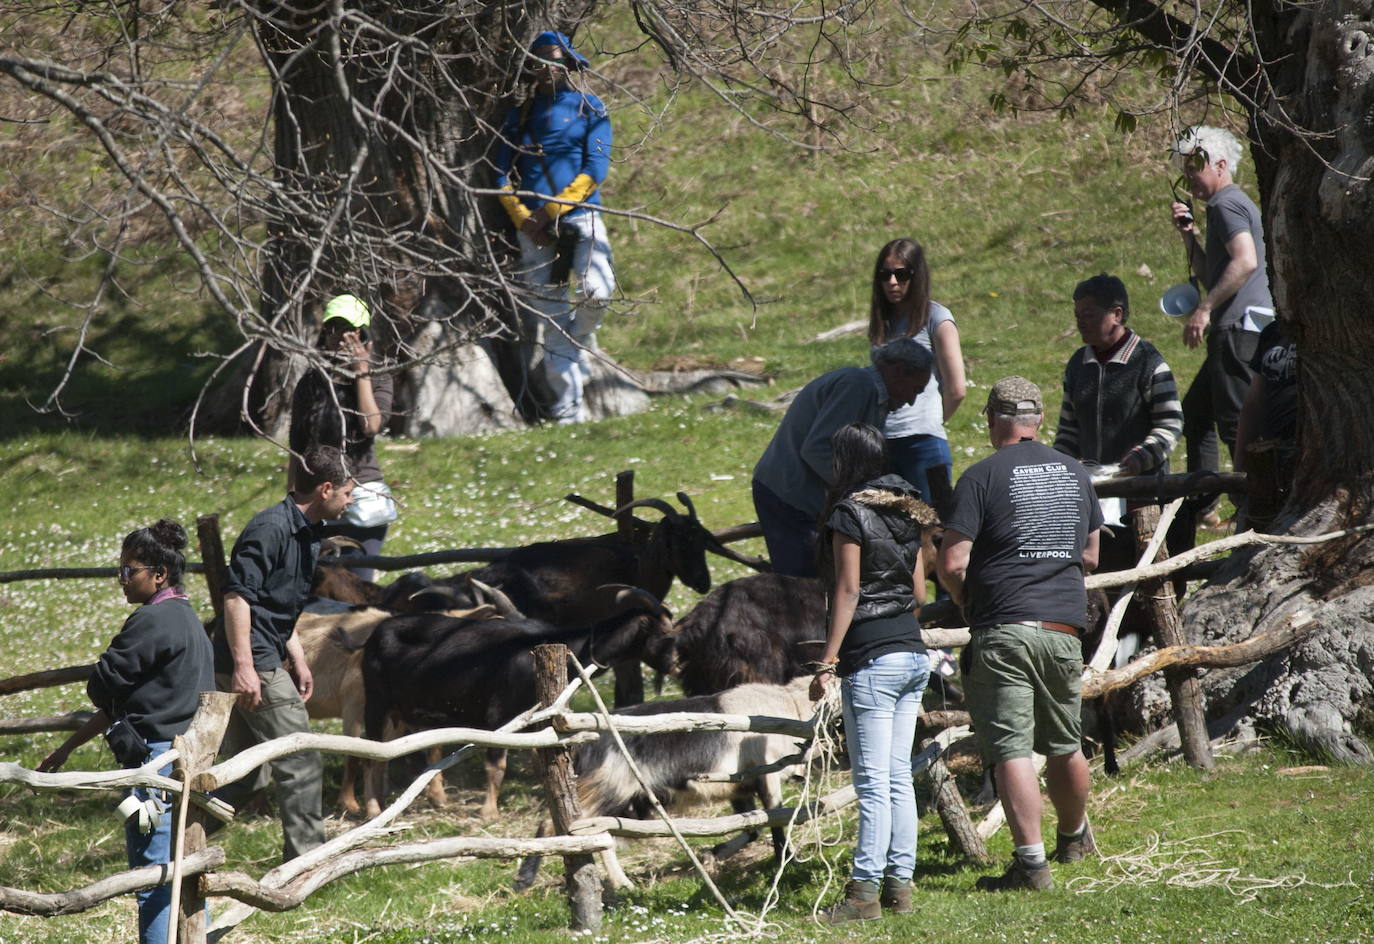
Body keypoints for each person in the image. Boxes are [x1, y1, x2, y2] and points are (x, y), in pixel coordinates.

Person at [937, 377, 1103, 891]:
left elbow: (952, 560)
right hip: (1062, 628)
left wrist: (966, 599)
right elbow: (1092, 556)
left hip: (1004, 629)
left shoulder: (982, 475)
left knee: (1010, 749)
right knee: (1066, 744)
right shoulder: (1075, 474)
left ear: (991, 419)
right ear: (1039, 421)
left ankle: (1032, 866)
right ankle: (1073, 838)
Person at [38, 519, 214, 944]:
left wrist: (100, 670)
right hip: (183, 761)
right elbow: (124, 703)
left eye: (128, 571)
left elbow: (102, 685)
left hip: (149, 770)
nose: (121, 580)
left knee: (151, 876)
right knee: (183, 870)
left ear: (159, 575)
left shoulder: (151, 621)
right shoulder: (187, 620)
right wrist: (67, 747)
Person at [809, 424, 936, 923]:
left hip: (872, 659)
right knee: (898, 776)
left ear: (844, 461)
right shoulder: (908, 507)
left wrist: (827, 661)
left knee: (872, 782)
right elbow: (921, 595)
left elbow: (847, 591)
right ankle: (899, 888)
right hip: (912, 653)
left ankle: (863, 895)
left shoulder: (849, 512)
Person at [213, 445, 355, 862]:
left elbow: (278, 604)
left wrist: (296, 656)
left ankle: (172, 835)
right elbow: (238, 598)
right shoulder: (270, 528)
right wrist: (245, 668)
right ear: (325, 488)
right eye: (347, 492)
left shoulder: (307, 532)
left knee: (248, 772)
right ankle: (307, 863)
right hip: (250, 659)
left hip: (264, 654)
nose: (350, 501)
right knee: (302, 760)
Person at [495, 30, 615, 424]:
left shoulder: (591, 108)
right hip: (532, 229)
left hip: (581, 217)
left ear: (568, 63)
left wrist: (552, 210)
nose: (547, 67)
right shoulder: (520, 115)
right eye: (540, 59)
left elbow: (595, 169)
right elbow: (499, 174)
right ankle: (567, 414)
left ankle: (578, 340)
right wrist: (524, 218)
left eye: (554, 58)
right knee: (551, 318)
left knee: (597, 292)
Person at [752, 338, 933, 577]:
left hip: (802, 498)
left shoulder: (872, 394)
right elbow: (817, 450)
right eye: (915, 389)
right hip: (788, 495)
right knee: (803, 585)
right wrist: (861, 495)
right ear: (899, 371)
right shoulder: (857, 385)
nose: (911, 400)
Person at [1054, 273, 1182, 572]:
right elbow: (1068, 430)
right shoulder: (1077, 366)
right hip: (1093, 493)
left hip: (1142, 494)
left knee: (1141, 569)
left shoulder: (1148, 362)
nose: (1080, 323)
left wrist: (1142, 456)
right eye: (1077, 315)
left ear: (1117, 314)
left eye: (1089, 315)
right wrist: (1059, 466)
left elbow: (1171, 423)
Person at [1169, 125, 1272, 478]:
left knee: (1235, 424)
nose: (1188, 178)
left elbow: (1245, 262)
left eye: (1194, 169)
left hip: (1237, 330)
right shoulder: (1227, 205)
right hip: (1242, 328)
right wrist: (1189, 237)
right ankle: (1205, 500)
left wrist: (1204, 308)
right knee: (1196, 415)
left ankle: (1253, 504)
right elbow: (1215, 274)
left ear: (1220, 165)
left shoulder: (1226, 204)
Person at [289, 293, 395, 582]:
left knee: (358, 584)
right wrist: (292, 503)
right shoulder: (312, 382)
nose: (341, 337)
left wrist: (361, 372)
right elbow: (297, 447)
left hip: (362, 494)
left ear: (364, 334)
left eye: (351, 330)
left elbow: (370, 425)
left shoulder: (380, 377)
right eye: (333, 328)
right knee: (320, 581)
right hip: (318, 495)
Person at [867, 238, 967, 507]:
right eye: (884, 274)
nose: (892, 282)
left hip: (923, 443)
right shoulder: (882, 323)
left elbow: (956, 388)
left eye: (901, 274)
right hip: (882, 444)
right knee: (888, 533)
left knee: (933, 526)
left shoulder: (937, 317)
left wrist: (931, 421)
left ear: (917, 275)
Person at [1234, 318, 1298, 529]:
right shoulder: (1273, 331)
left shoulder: (1329, 335)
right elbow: (1253, 402)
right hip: (1267, 455)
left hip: (1305, 455)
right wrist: (1239, 462)